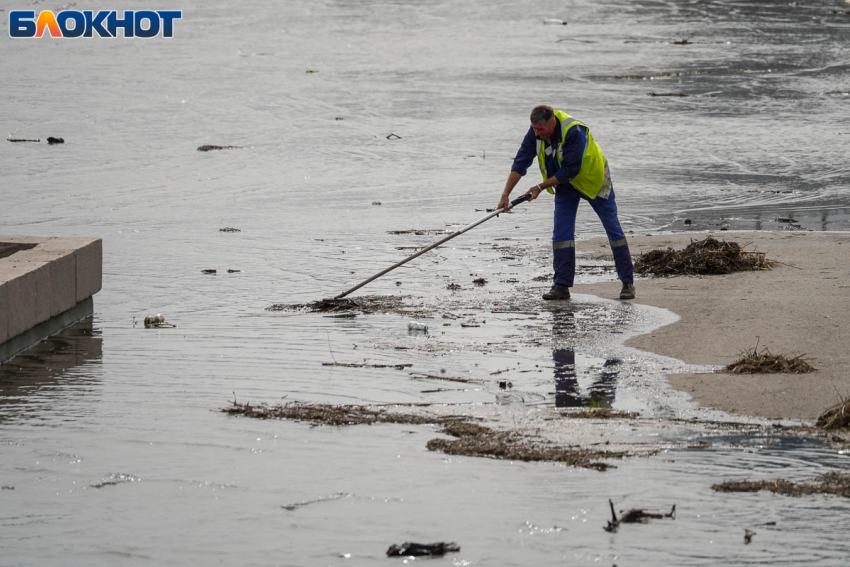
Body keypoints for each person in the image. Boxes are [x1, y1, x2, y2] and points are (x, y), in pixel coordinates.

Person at [497, 105, 635, 300]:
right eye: (534, 129)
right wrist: (505, 194)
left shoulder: (574, 131)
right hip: (565, 185)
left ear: (553, 123)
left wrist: (540, 186)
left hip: (594, 181)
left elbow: (570, 169)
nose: (537, 133)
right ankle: (561, 285)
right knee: (562, 234)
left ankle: (627, 282)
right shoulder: (536, 131)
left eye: (541, 130)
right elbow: (521, 161)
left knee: (613, 229)